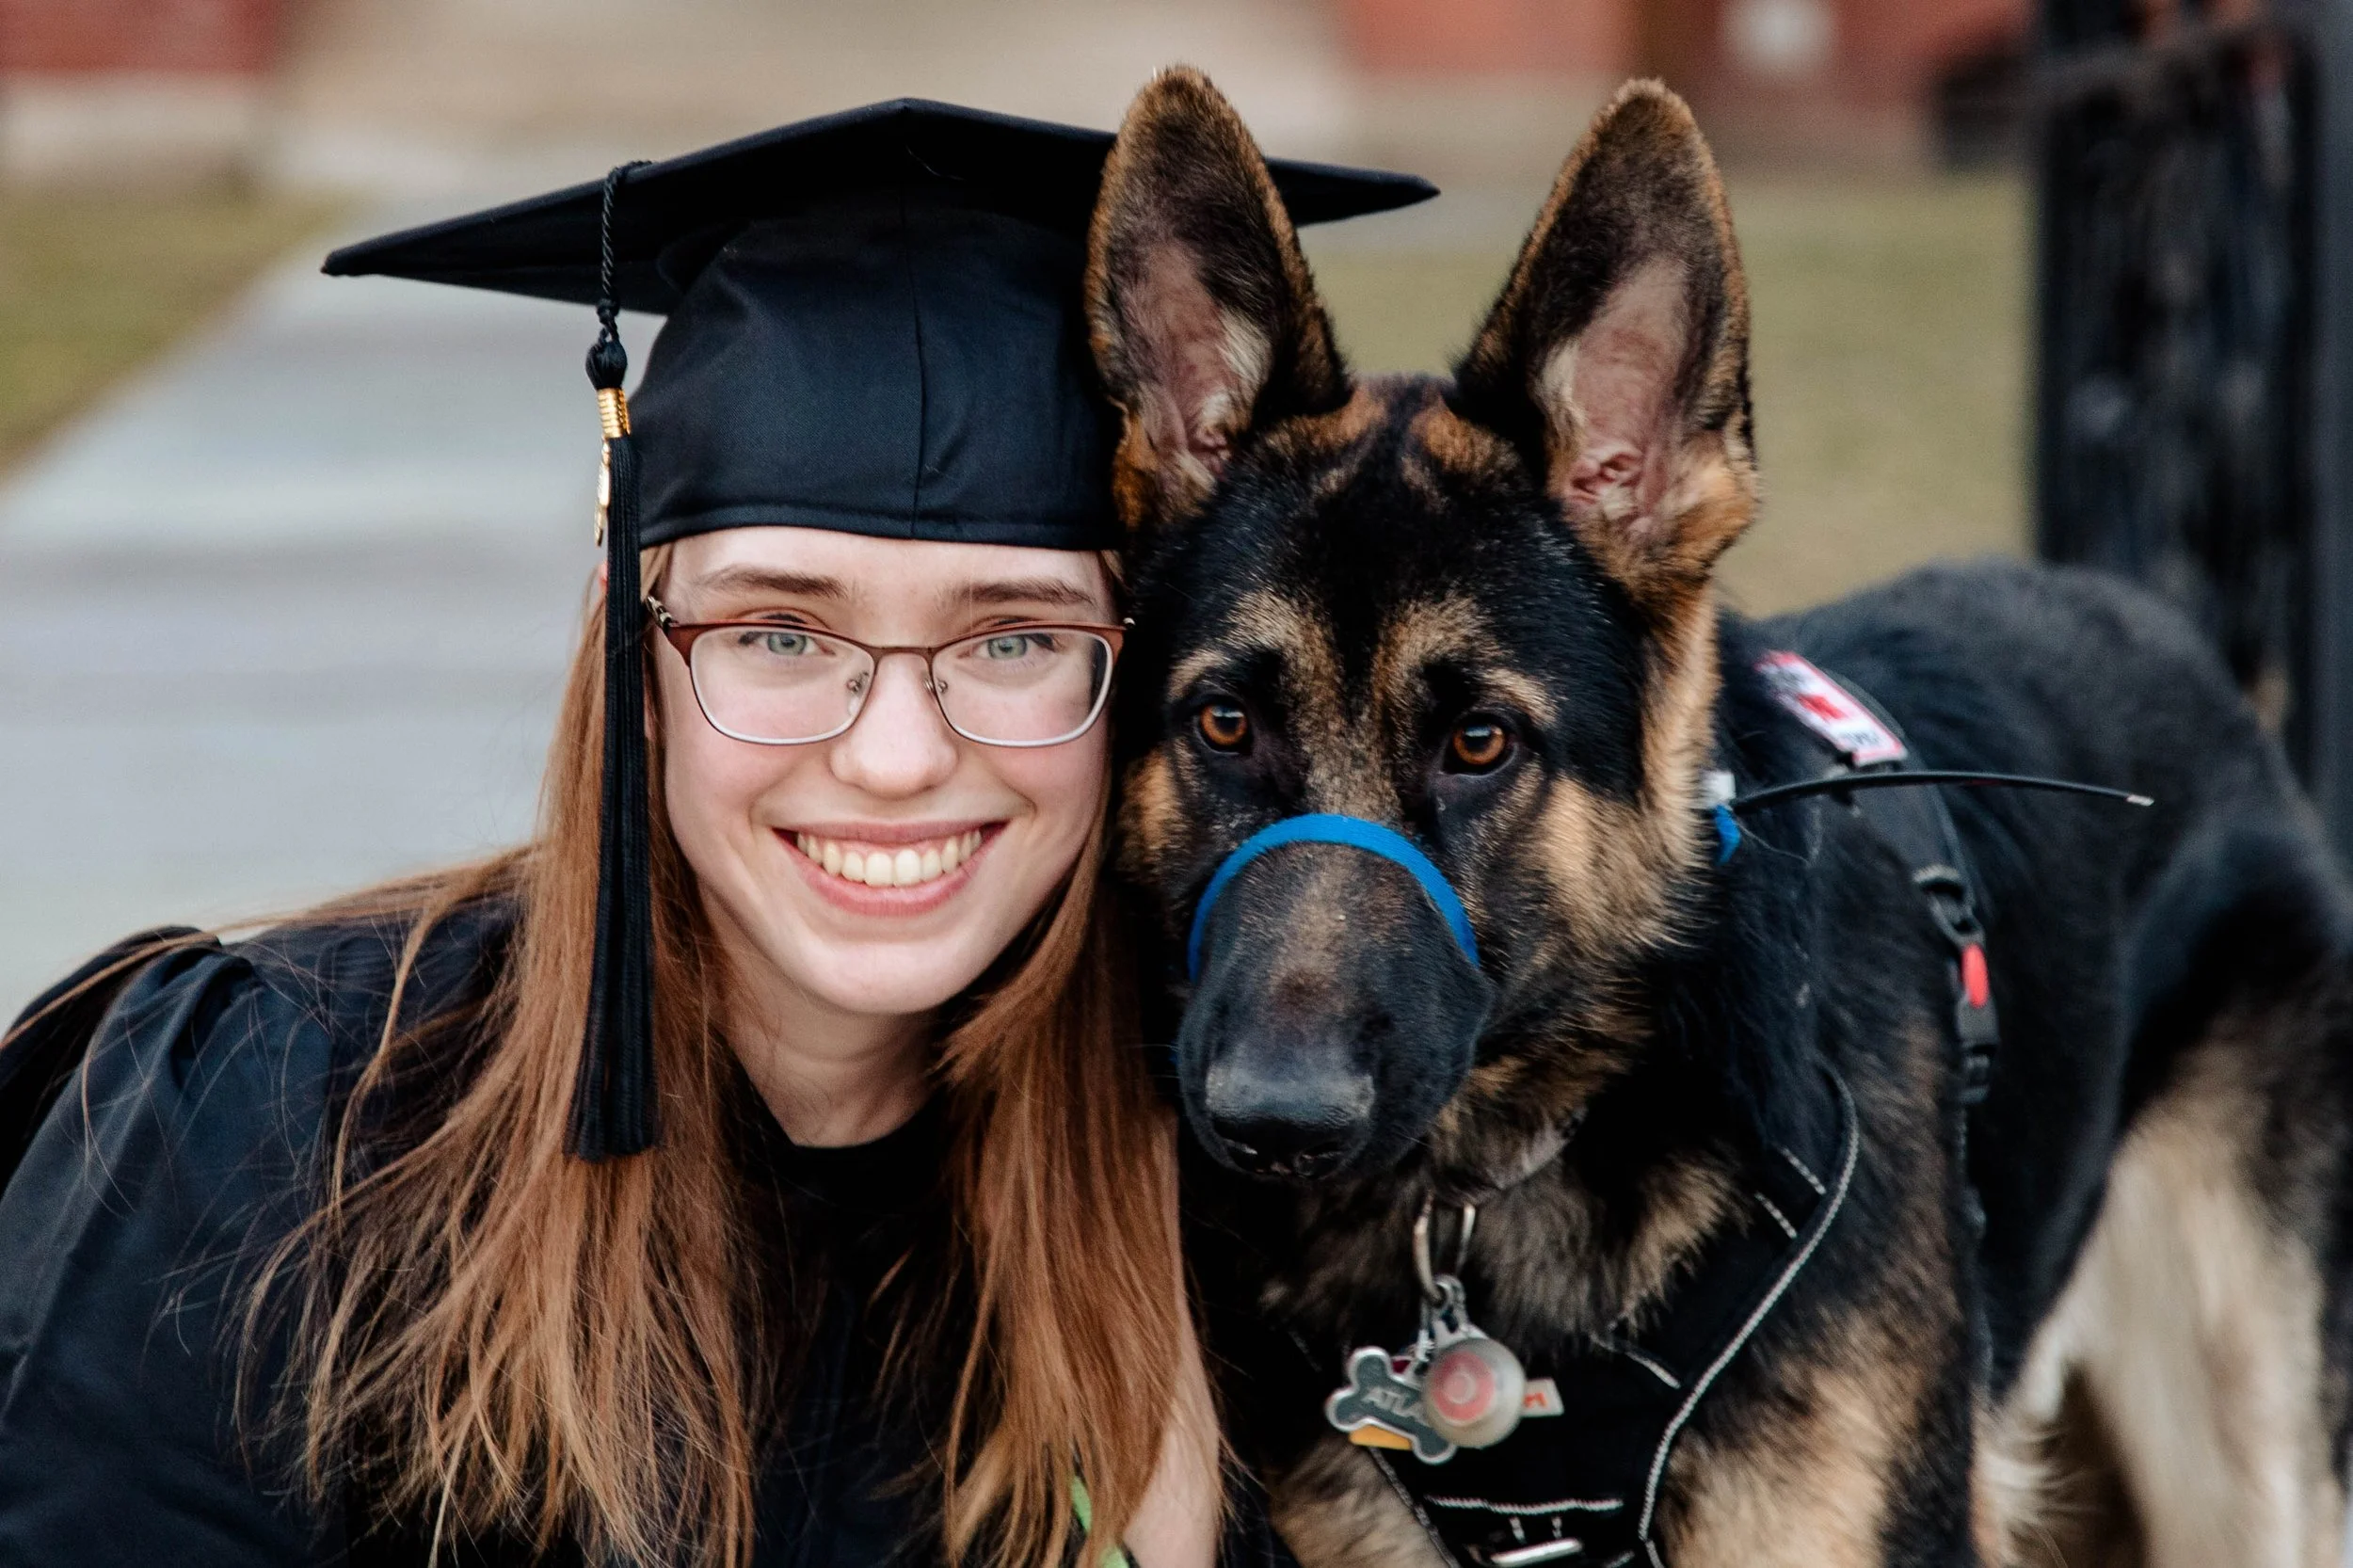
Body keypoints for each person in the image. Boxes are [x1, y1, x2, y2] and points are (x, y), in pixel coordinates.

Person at [0, 100, 1431, 1567]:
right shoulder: (274, 1126)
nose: (894, 756)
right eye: (780, 633)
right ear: (639, 658)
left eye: (1013, 641)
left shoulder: (1216, 1193)